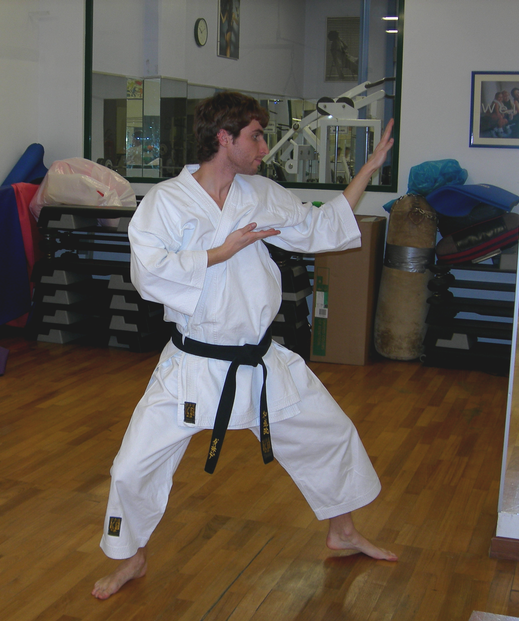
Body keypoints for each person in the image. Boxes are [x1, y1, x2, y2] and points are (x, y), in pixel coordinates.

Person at [91, 91, 397, 601]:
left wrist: (367, 171)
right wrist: (219, 252)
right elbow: (148, 274)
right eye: (256, 136)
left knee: (330, 433)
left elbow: (318, 226)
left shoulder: (259, 193)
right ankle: (132, 556)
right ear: (224, 137)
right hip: (191, 363)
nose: (263, 147)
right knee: (132, 466)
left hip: (258, 360)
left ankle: (342, 530)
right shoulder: (166, 202)